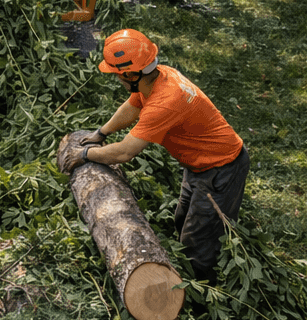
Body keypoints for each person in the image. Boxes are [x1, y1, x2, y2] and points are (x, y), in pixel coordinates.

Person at [62, 28, 249, 281]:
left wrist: (86, 154)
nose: (117, 79)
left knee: (199, 245)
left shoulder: (165, 102)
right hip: (198, 165)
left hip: (221, 169)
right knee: (183, 220)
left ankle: (203, 294)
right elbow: (132, 105)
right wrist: (101, 133)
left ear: (131, 73)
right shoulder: (158, 78)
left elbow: (126, 152)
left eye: (118, 74)